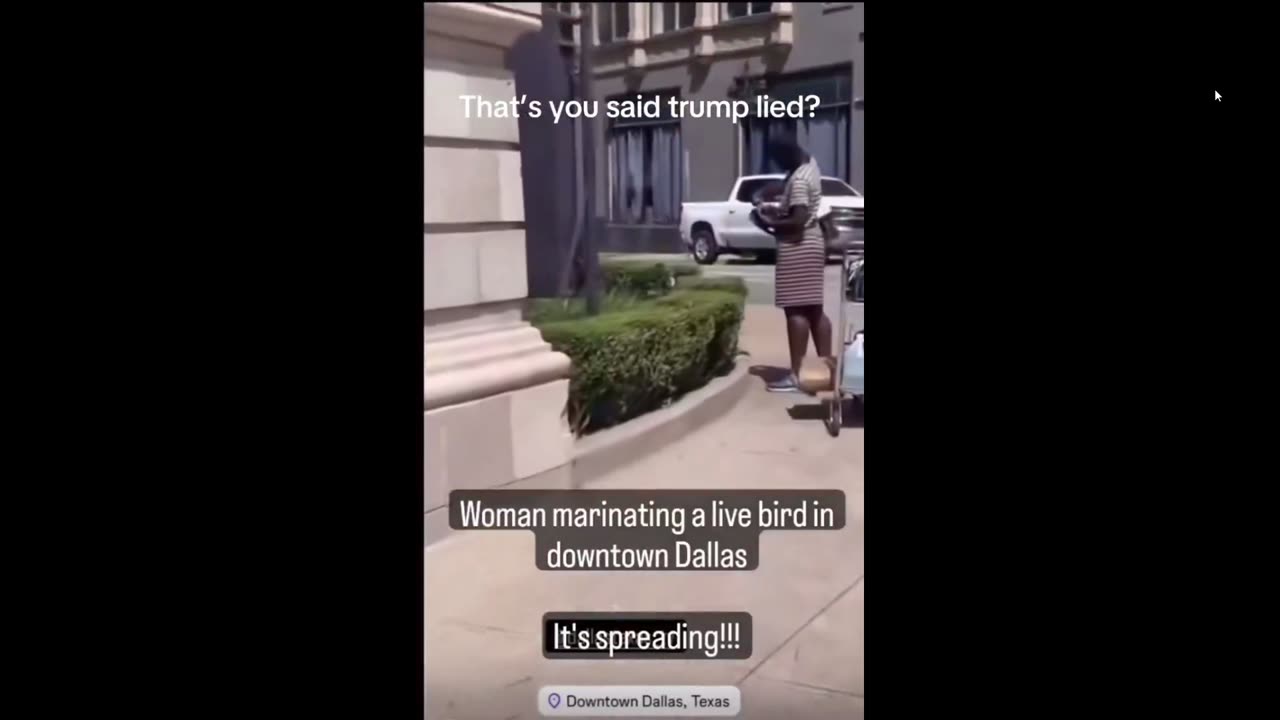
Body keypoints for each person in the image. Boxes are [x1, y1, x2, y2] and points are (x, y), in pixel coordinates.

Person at [755, 136, 833, 393]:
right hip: (813, 243)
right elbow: (803, 208)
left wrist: (767, 221)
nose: (779, 166)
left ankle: (797, 375)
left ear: (786, 157)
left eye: (779, 161)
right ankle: (827, 369)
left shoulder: (799, 180)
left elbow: (798, 219)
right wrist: (777, 201)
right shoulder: (810, 165)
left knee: (796, 310)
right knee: (814, 310)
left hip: (797, 246)